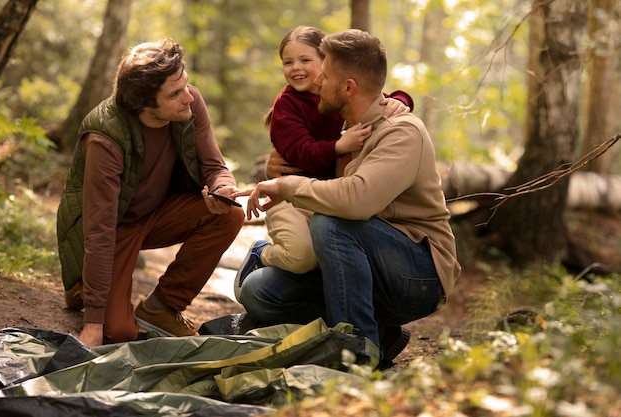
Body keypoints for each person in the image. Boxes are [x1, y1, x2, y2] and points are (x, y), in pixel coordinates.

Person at [233, 29, 461, 368]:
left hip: (418, 272)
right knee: (260, 291)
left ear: (348, 87)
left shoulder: (402, 132)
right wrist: (278, 167)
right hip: (360, 260)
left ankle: (357, 355)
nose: (315, 83)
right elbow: (304, 147)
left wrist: (287, 187)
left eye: (323, 77)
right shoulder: (344, 129)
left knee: (332, 222)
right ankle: (380, 334)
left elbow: (355, 201)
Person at [56, 39, 245, 347]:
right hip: (116, 228)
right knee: (118, 332)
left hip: (159, 213)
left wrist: (223, 187)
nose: (189, 96)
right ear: (145, 104)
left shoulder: (190, 103)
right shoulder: (105, 137)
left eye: (185, 83)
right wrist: (93, 321)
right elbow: (99, 231)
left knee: (229, 215)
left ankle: (162, 308)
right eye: (175, 93)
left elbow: (215, 165)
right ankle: (84, 288)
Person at [234, 26, 413, 300]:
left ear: (326, 62)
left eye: (306, 60)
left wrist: (401, 101)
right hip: (289, 199)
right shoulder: (287, 106)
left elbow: (373, 94)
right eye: (288, 62)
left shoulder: (338, 91)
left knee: (329, 253)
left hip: (327, 199)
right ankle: (262, 254)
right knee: (302, 257)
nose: (296, 68)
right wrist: (338, 146)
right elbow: (299, 152)